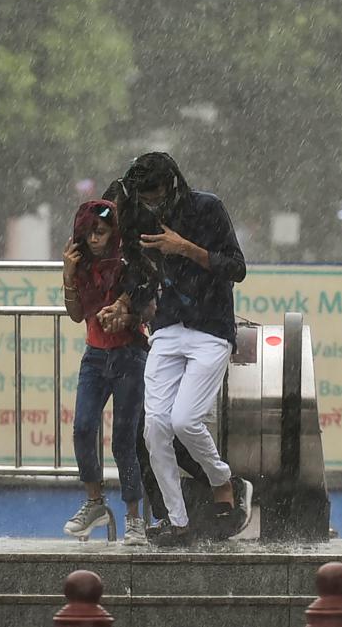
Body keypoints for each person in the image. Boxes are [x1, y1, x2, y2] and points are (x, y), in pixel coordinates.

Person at [99, 152, 252, 546]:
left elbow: (237, 268)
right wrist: (125, 303)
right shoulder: (138, 217)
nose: (150, 205)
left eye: (155, 197)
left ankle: (224, 482)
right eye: (144, 199)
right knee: (154, 427)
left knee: (185, 420)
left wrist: (185, 247)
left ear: (171, 186)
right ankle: (176, 519)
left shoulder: (207, 207)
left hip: (210, 328)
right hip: (167, 327)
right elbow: (143, 276)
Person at [61, 200, 149, 546]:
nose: (94, 239)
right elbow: (75, 313)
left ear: (114, 232)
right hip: (95, 357)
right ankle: (94, 502)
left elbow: (145, 308)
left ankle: (134, 519)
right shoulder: (82, 266)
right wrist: (68, 275)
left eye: (100, 231)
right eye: (88, 233)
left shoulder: (129, 263)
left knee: (124, 439)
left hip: (129, 355)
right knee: (83, 427)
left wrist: (125, 315)